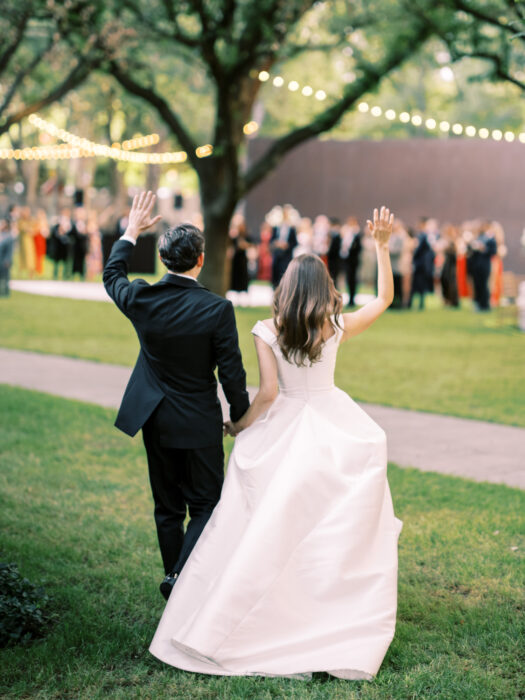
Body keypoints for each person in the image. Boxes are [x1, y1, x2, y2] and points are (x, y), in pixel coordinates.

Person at [150, 206, 402, 681]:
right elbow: (385, 298)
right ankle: (325, 602)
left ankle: (256, 602)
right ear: (325, 289)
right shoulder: (336, 324)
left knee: (266, 520)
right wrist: (383, 247)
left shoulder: (268, 329)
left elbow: (267, 394)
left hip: (285, 422)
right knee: (325, 522)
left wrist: (240, 425)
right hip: (333, 423)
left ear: (285, 288)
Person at [103, 191, 250, 600]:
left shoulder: (141, 298)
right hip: (199, 422)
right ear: (200, 260)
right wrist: (241, 417)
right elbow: (232, 375)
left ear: (163, 258)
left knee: (167, 508)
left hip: (155, 420)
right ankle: (180, 578)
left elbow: (112, 275)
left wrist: (131, 231)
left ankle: (175, 577)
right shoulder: (217, 309)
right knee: (206, 505)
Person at [270, 204, 297, 288]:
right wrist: (276, 243)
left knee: (284, 272)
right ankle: (275, 288)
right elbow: (272, 240)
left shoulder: (292, 229)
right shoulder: (276, 228)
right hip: (277, 254)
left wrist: (287, 245)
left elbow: (295, 243)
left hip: (286, 255)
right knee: (276, 272)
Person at [340, 215, 362, 307]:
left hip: (353, 261)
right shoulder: (347, 234)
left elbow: (358, 248)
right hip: (347, 260)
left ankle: (352, 299)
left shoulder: (357, 234)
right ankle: (350, 298)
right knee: (348, 279)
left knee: (352, 280)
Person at [0, 218, 15, 296]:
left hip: (4, 261)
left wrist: (8, 260)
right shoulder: (1, 235)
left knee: (5, 277)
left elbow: (10, 250)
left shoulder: (9, 237)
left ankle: (5, 292)